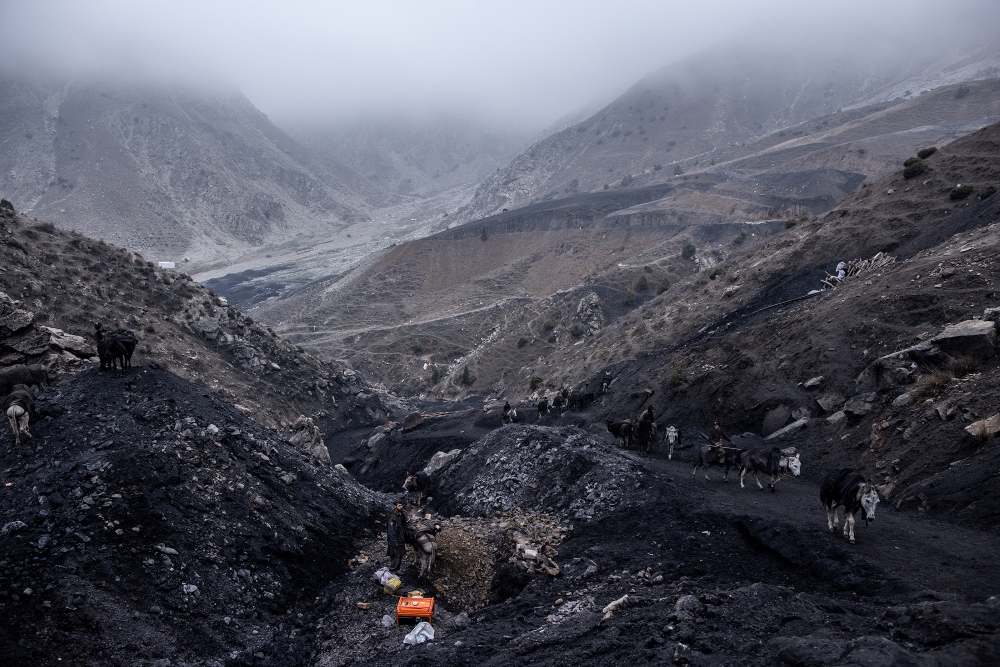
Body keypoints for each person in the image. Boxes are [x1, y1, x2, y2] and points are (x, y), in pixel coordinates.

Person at [387, 499, 408, 572]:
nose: (401, 507)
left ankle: (396, 568)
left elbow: (404, 526)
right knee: (396, 555)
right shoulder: (392, 517)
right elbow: (391, 531)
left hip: (400, 538)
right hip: (395, 540)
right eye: (399, 505)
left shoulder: (401, 514)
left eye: (401, 505)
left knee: (399, 555)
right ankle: (394, 569)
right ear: (395, 506)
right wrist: (394, 542)